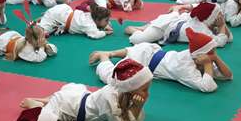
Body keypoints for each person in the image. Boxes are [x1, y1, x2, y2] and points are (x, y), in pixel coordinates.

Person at [21, 59, 152, 121]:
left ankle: (48, 100)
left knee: (63, 95)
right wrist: (137, 107)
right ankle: (37, 105)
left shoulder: (122, 90)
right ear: (130, 89)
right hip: (71, 107)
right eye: (144, 90)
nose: (148, 93)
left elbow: (126, 115)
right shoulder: (109, 98)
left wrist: (136, 106)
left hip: (80, 96)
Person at [90, 28, 233, 93]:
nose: (212, 55)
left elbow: (228, 76)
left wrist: (215, 58)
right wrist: (208, 63)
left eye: (213, 52)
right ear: (199, 56)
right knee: (113, 80)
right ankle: (105, 57)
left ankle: (110, 53)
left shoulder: (198, 58)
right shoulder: (185, 68)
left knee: (133, 50)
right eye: (210, 53)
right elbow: (208, 87)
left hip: (150, 51)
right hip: (145, 60)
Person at [37, 1, 113, 39]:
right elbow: (95, 34)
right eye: (106, 20)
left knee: (50, 18)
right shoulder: (89, 24)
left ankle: (45, 16)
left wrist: (105, 25)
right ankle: (42, 20)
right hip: (57, 16)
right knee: (40, 33)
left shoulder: (91, 15)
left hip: (65, 10)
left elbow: (99, 23)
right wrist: (105, 32)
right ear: (97, 20)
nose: (107, 22)